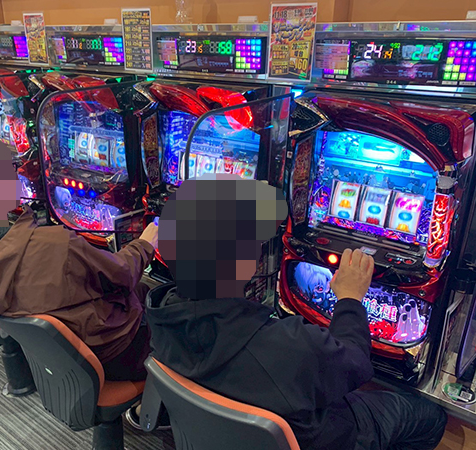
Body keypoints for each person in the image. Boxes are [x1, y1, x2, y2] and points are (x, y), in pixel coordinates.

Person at [139, 173, 447, 450]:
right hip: (323, 437)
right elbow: (355, 363)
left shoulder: (159, 312)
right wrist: (350, 298)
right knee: (430, 417)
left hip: (220, 432)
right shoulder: (289, 345)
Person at [0, 127, 157, 381]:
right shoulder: (50, 245)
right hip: (111, 354)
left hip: (57, 357)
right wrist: (146, 242)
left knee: (143, 290)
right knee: (164, 303)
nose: (17, 173)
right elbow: (122, 274)